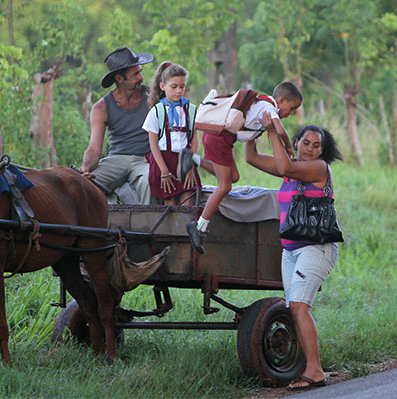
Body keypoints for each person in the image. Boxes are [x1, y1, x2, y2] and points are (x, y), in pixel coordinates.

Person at [245, 115, 343, 391]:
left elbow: (285, 163)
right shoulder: (291, 169)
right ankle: (306, 366)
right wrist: (251, 128)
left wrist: (273, 132)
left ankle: (315, 371)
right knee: (295, 308)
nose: (310, 149)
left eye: (316, 145)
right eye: (305, 142)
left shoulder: (318, 168)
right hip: (290, 251)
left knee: (299, 307)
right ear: (296, 142)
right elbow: (251, 158)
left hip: (316, 248)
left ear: (321, 151)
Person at [179, 81, 303, 253]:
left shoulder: (259, 105)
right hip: (220, 139)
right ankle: (199, 227)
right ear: (281, 100)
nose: (291, 113)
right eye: (292, 108)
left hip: (219, 138)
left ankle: (193, 159)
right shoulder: (269, 108)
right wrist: (289, 149)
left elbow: (250, 151)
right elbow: (281, 131)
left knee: (234, 177)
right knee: (225, 186)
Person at [80, 46, 154, 204]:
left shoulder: (152, 98)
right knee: (86, 185)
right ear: (120, 79)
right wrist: (85, 169)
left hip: (145, 160)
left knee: (149, 181)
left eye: (140, 71)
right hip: (116, 160)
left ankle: (149, 227)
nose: (141, 76)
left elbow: (166, 134)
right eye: (135, 74)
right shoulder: (101, 107)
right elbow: (94, 148)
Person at [142, 62, 201, 206]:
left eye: (182, 86)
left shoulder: (191, 110)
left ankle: (186, 228)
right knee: (170, 207)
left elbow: (194, 141)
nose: (179, 91)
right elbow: (153, 144)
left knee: (187, 205)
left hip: (184, 162)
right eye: (174, 87)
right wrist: (164, 171)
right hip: (164, 162)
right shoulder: (157, 111)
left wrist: (189, 167)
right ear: (163, 86)